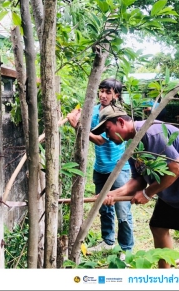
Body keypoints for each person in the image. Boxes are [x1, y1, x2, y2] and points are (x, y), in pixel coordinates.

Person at [90, 104, 179, 268]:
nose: (107, 135)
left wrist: (147, 194)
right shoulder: (134, 145)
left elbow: (176, 168)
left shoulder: (151, 132)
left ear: (121, 122)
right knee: (158, 227)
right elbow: (138, 181)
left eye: (108, 129)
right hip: (171, 192)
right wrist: (109, 194)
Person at [67, 78, 134, 257]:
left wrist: (78, 127)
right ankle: (108, 241)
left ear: (116, 95)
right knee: (103, 207)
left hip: (118, 168)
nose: (103, 95)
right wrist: (75, 114)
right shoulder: (95, 110)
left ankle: (126, 249)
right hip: (100, 167)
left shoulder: (116, 114)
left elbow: (100, 139)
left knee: (123, 211)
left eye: (108, 92)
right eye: (101, 91)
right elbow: (82, 114)